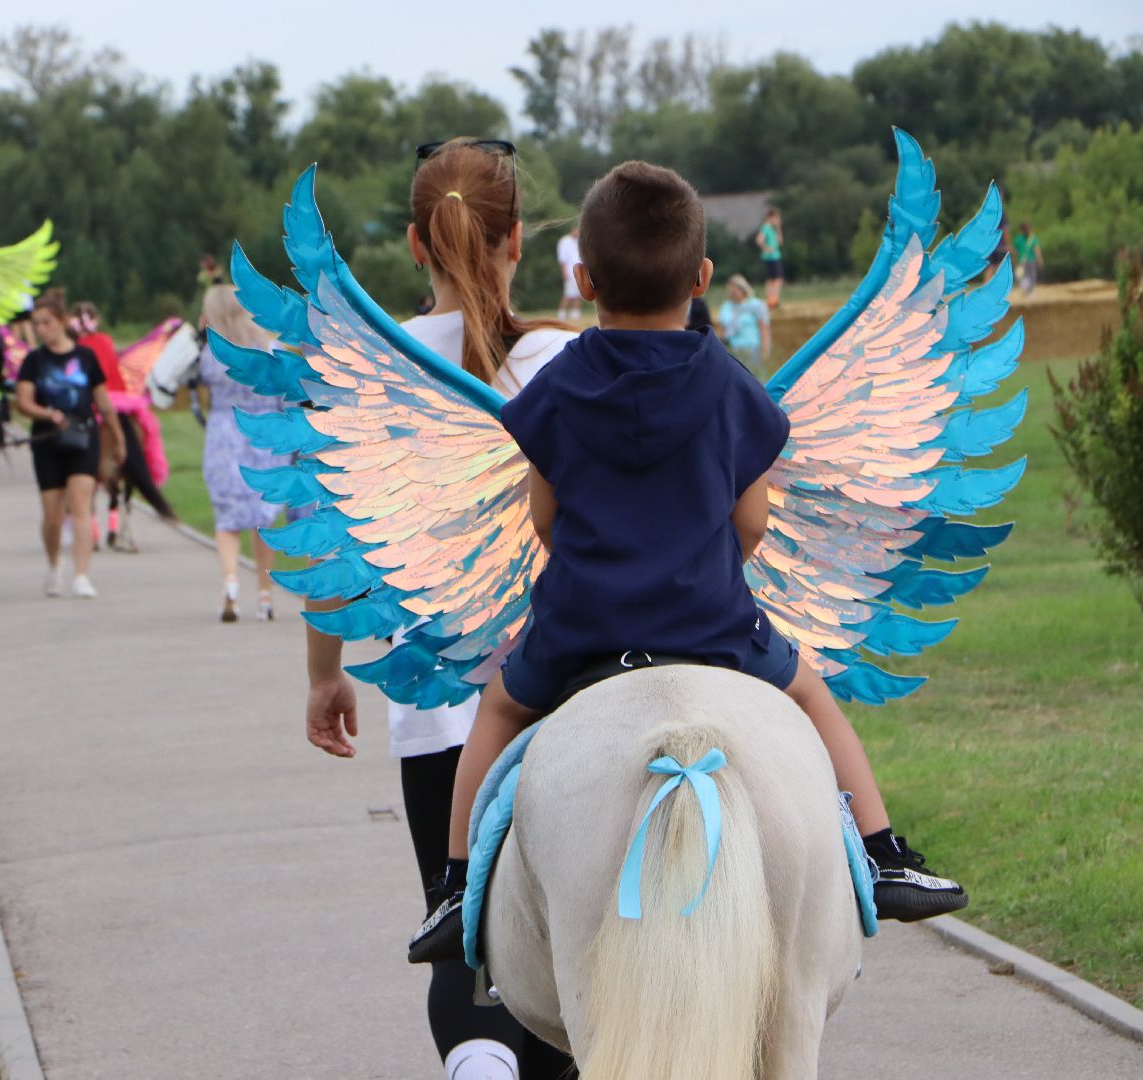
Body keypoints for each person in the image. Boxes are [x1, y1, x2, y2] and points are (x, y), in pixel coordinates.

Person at [408, 160, 968, 965]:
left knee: (495, 713)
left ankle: (456, 887)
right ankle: (883, 856)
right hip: (712, 624)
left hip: (579, 629)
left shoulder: (559, 386)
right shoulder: (727, 383)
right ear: (701, 278)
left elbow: (544, 518)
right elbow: (753, 522)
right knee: (811, 695)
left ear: (586, 281)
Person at [304, 138, 576, 1080]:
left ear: (416, 244)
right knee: (573, 937)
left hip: (439, 710)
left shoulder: (372, 367)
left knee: (460, 929)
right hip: (570, 690)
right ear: (517, 241)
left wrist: (325, 673)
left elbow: (333, 545)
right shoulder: (565, 360)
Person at [13, 288, 126, 598]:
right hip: (47, 440)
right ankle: (54, 563)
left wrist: (118, 438)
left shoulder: (85, 357)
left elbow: (103, 402)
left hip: (83, 437)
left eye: (47, 322)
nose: (41, 329)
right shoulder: (34, 361)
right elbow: (23, 401)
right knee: (52, 513)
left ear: (62, 322)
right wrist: (47, 414)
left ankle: (82, 574)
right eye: (36, 324)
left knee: (80, 504)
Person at [195, 284, 291, 622]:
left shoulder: (211, 355)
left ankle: (231, 584)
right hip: (264, 434)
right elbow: (286, 397)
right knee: (263, 517)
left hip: (224, 434)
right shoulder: (271, 350)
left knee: (227, 519)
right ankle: (264, 595)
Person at [71, 301, 179, 542]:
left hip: (93, 402)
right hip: (121, 400)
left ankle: (92, 526)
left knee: (77, 453)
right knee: (146, 434)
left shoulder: (75, 348)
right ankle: (121, 520)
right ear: (96, 321)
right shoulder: (106, 341)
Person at [716, 273, 771, 376]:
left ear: (743, 289)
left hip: (752, 348)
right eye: (730, 290)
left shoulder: (756, 305)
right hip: (732, 349)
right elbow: (722, 330)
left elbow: (764, 329)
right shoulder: (726, 306)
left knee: (754, 375)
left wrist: (765, 349)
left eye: (735, 290)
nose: (732, 293)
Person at [756, 206, 784, 308]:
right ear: (770, 217)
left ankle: (771, 300)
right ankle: (773, 300)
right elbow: (759, 240)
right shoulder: (766, 227)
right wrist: (767, 249)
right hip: (771, 257)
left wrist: (778, 228)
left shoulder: (772, 228)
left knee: (771, 279)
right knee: (778, 279)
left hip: (774, 256)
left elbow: (780, 242)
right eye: (776, 218)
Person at [555, 223, 584, 322]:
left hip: (579, 271)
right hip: (569, 271)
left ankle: (575, 314)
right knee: (568, 294)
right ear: (573, 229)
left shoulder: (579, 242)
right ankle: (561, 313)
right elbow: (562, 258)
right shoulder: (564, 241)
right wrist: (564, 272)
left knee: (577, 294)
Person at [1013, 221, 1043, 295]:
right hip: (1031, 260)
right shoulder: (1033, 238)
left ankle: (1025, 291)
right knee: (1032, 275)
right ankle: (1030, 291)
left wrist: (1015, 262)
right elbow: (1037, 250)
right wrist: (1040, 260)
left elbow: (1014, 252)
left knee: (1024, 276)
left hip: (1021, 260)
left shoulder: (1018, 239)